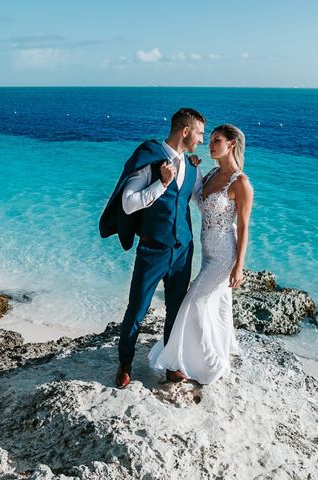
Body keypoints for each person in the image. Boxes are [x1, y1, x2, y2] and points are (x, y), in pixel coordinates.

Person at [99, 108, 206, 388]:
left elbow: (200, 198)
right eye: (200, 134)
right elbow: (129, 203)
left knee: (176, 309)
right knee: (137, 309)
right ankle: (125, 362)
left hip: (183, 249)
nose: (201, 141)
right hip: (153, 250)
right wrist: (162, 183)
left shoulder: (193, 165)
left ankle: (171, 365)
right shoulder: (149, 157)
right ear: (185, 131)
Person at [148, 124, 254, 385]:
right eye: (210, 141)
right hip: (206, 252)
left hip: (224, 256)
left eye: (217, 141)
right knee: (215, 307)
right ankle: (214, 351)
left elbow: (243, 227)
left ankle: (210, 364)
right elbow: (196, 194)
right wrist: (193, 168)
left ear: (231, 144)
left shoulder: (240, 183)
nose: (210, 145)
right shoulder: (211, 175)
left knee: (193, 304)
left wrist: (239, 265)